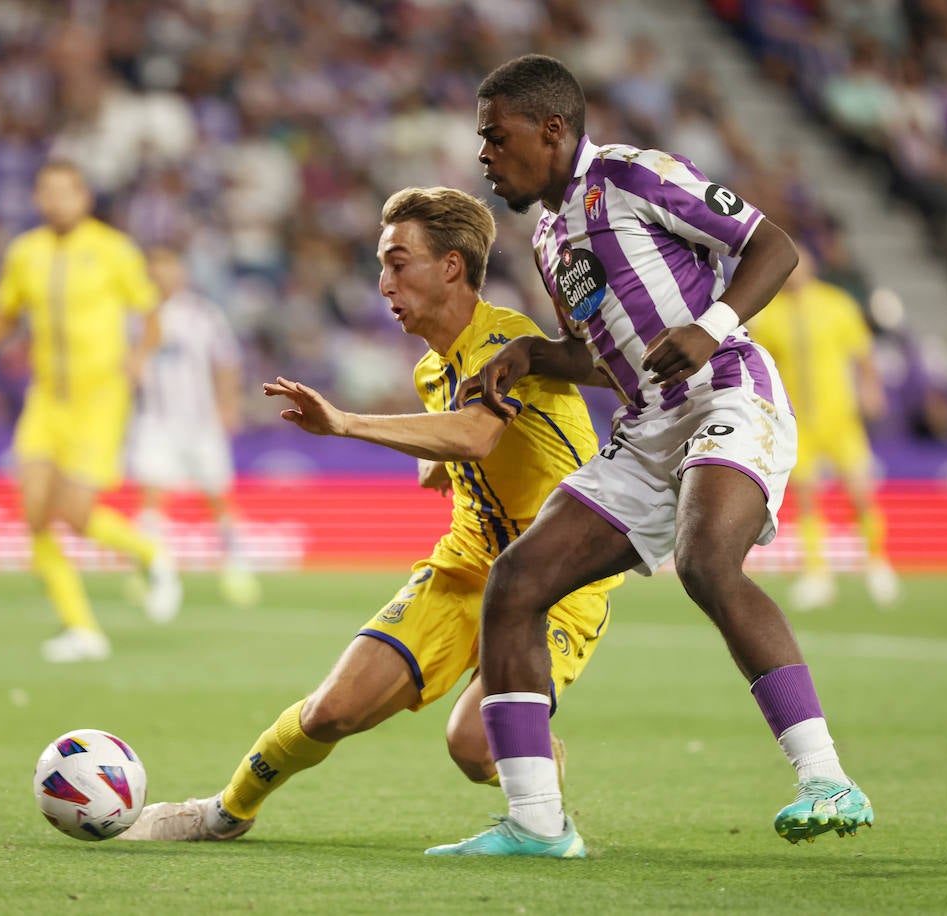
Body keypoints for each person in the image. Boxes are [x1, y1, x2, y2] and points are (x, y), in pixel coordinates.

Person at [426, 54, 873, 858]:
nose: (485, 157)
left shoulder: (635, 176)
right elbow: (606, 359)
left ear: (552, 129)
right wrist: (531, 354)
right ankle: (536, 824)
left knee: (706, 560)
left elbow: (774, 246)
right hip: (651, 424)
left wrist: (713, 326)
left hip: (730, 392)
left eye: (496, 138)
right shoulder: (551, 237)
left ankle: (826, 776)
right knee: (516, 584)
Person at [116, 186, 621, 846]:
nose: (383, 281)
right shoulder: (431, 371)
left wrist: (347, 423)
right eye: (382, 265)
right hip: (466, 567)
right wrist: (437, 460)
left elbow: (473, 435)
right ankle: (221, 813)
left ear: (449, 267)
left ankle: (541, 801)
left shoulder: (508, 338)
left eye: (398, 262)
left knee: (473, 744)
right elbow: (454, 452)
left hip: (556, 580)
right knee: (330, 712)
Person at [0, 160, 181, 663]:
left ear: (83, 197)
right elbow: (3, 314)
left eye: (65, 192)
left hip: (100, 398)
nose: (55, 201)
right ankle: (82, 629)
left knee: (76, 510)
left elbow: (150, 313)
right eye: (46, 192)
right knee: (36, 514)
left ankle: (151, 554)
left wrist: (138, 355)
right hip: (46, 399)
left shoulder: (113, 249)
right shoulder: (26, 252)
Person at [746, 248, 898, 609]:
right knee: (808, 499)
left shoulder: (836, 304)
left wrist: (871, 389)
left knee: (860, 491)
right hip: (798, 422)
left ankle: (877, 563)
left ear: (812, 265)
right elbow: (762, 364)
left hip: (840, 416)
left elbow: (862, 354)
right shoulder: (771, 313)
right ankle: (817, 575)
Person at [126, 247, 260, 608]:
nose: (162, 276)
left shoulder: (202, 314)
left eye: (168, 268)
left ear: (181, 273)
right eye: (156, 269)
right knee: (152, 497)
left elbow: (226, 361)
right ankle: (150, 569)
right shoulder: (136, 315)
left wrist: (228, 404)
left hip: (201, 423)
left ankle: (235, 565)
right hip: (155, 421)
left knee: (218, 497)